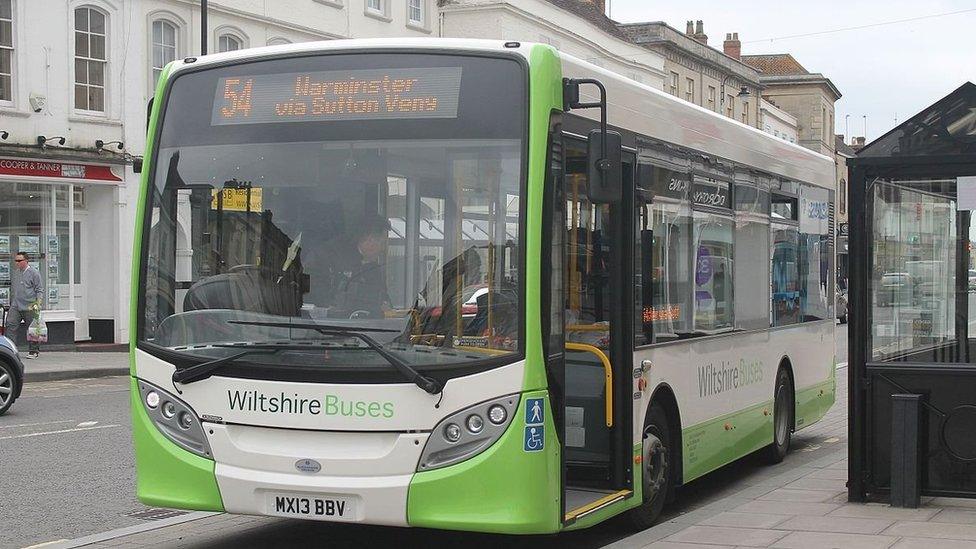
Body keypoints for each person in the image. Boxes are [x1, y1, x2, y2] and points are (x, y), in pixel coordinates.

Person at [334, 216, 391, 318]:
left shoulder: (375, 269)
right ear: (368, 240)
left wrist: (386, 306)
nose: (383, 248)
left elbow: (383, 299)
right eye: (382, 242)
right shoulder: (340, 264)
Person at [6, 252, 43, 358]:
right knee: (10, 325)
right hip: (16, 305)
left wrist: (38, 303)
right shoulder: (16, 273)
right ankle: (10, 350)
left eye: (19, 261)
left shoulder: (34, 273)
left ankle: (33, 351)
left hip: (31, 305)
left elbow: (39, 289)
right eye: (15, 261)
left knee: (32, 328)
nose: (16, 263)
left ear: (26, 261)